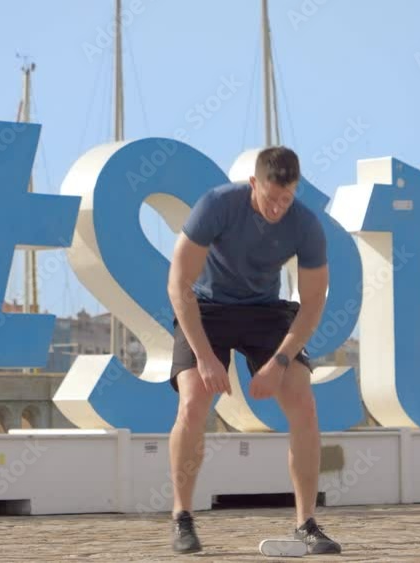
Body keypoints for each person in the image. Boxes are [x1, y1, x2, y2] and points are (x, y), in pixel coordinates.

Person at [165, 146, 341, 555]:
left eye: (287, 197)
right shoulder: (216, 205)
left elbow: (313, 302)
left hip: (265, 312)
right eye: (270, 197)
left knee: (304, 403)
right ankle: (182, 517)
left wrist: (280, 361)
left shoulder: (306, 225)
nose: (278, 207)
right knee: (193, 403)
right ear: (252, 185)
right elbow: (179, 284)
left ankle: (307, 523)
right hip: (206, 309)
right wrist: (207, 357)